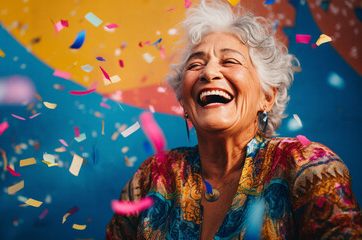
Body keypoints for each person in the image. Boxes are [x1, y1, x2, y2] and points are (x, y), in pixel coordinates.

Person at [106, 0, 362, 239]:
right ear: (184, 103)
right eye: (195, 65)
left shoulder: (308, 166)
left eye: (230, 61)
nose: (209, 72)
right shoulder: (151, 176)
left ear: (267, 97)